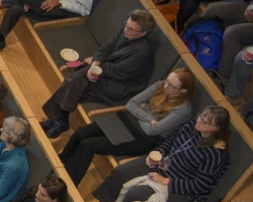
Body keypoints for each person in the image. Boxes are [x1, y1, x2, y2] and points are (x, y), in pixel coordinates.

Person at [94, 107, 231, 202]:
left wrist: (165, 181)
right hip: (163, 164)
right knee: (121, 172)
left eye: (205, 122)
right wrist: (159, 152)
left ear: (216, 129)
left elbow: (198, 186)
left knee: (136, 194)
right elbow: (170, 140)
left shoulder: (216, 155)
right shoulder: (191, 125)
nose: (199, 121)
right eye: (201, 116)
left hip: (181, 187)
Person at [60, 69, 194, 185]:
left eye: (171, 86)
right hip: (125, 119)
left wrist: (140, 111)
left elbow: (152, 130)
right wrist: (149, 118)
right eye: (167, 81)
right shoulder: (160, 85)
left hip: (141, 138)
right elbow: (131, 104)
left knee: (88, 145)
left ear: (183, 90)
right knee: (81, 133)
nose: (166, 86)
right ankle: (60, 163)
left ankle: (68, 182)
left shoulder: (183, 109)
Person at [40, 10, 158, 138]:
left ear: (143, 33)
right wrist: (95, 64)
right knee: (76, 79)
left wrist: (94, 68)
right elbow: (105, 48)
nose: (126, 30)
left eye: (131, 29)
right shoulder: (124, 31)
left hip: (120, 85)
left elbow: (116, 71)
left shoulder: (142, 53)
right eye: (126, 25)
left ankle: (59, 119)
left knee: (75, 80)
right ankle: (60, 120)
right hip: (107, 71)